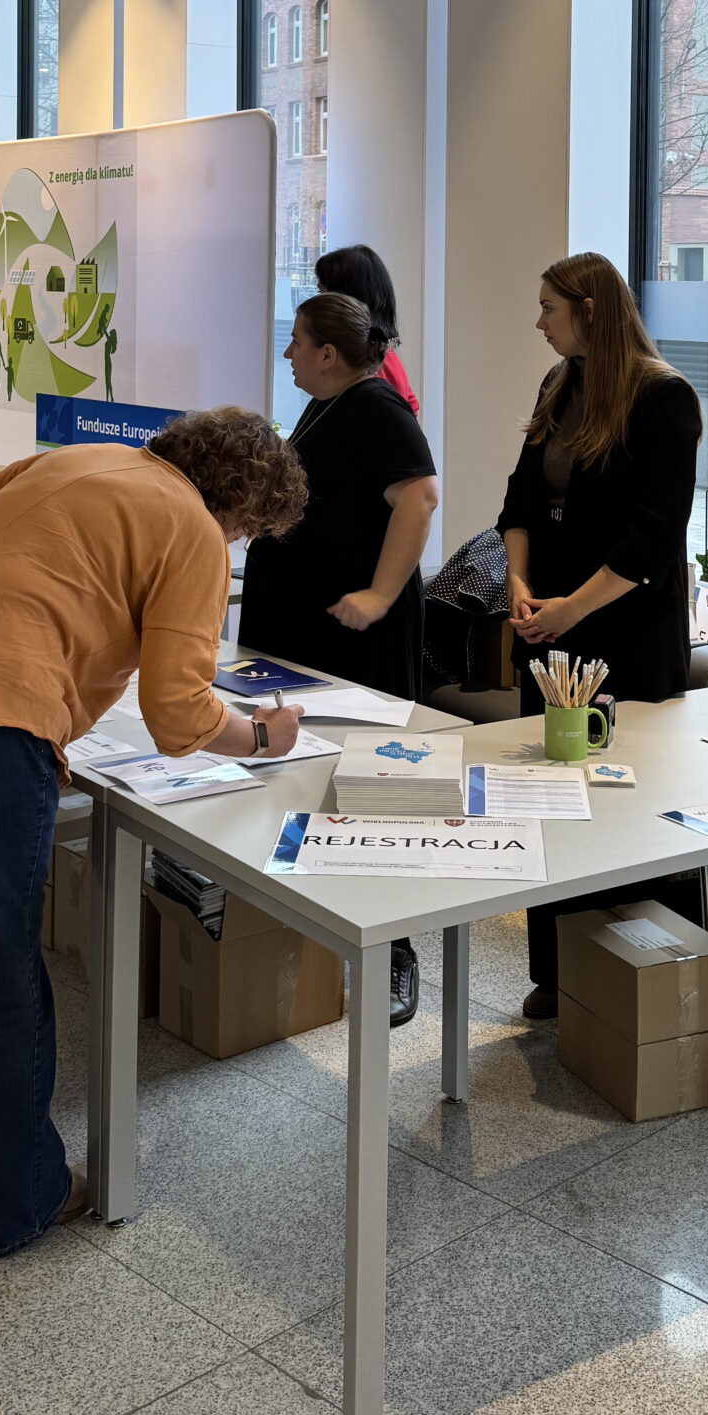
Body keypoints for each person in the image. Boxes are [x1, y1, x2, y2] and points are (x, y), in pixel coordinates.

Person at [0, 407, 308, 1263]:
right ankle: (21, 1202)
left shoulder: (83, 459)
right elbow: (178, 713)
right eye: (247, 530)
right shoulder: (193, 528)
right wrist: (261, 736)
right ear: (242, 504)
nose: (238, 544)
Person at [498, 251, 703, 1019]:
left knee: (621, 805)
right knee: (550, 799)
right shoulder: (559, 384)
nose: (538, 322)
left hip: (626, 631)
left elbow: (655, 536)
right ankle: (556, 974)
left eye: (548, 308)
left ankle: (627, 977)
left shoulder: (664, 398)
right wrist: (520, 586)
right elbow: (519, 501)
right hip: (550, 626)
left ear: (589, 310)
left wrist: (571, 610)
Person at [238, 291, 440, 1026]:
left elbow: (420, 498)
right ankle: (321, 924)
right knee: (314, 779)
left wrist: (380, 595)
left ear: (329, 353)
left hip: (356, 633)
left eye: (296, 341)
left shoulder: (377, 406)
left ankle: (395, 952)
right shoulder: (326, 405)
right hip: (309, 626)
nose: (287, 353)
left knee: (372, 787)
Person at [316, 243, 418, 414]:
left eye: (322, 294)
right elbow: (411, 405)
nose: (318, 305)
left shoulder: (367, 367)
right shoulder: (383, 354)